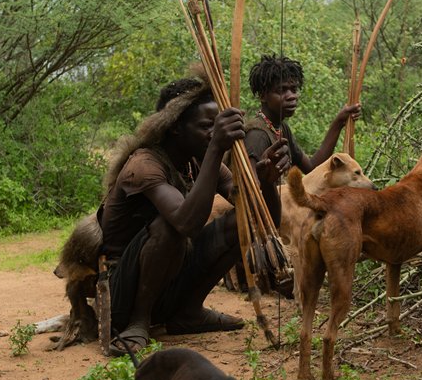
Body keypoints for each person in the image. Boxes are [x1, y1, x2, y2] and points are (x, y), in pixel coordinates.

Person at [97, 76, 289, 354]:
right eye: (205, 127)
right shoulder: (144, 164)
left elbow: (261, 218)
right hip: (121, 292)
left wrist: (268, 181)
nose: (213, 133)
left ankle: (187, 312)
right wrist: (215, 148)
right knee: (170, 227)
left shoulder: (197, 160)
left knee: (241, 222)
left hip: (170, 281)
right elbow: (185, 223)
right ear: (175, 128)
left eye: (216, 126)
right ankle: (139, 321)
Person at [243, 54, 362, 178]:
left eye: (293, 89)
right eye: (282, 90)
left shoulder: (281, 128)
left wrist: (339, 121)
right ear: (263, 96)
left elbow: (311, 167)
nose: (291, 96)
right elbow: (250, 188)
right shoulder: (257, 136)